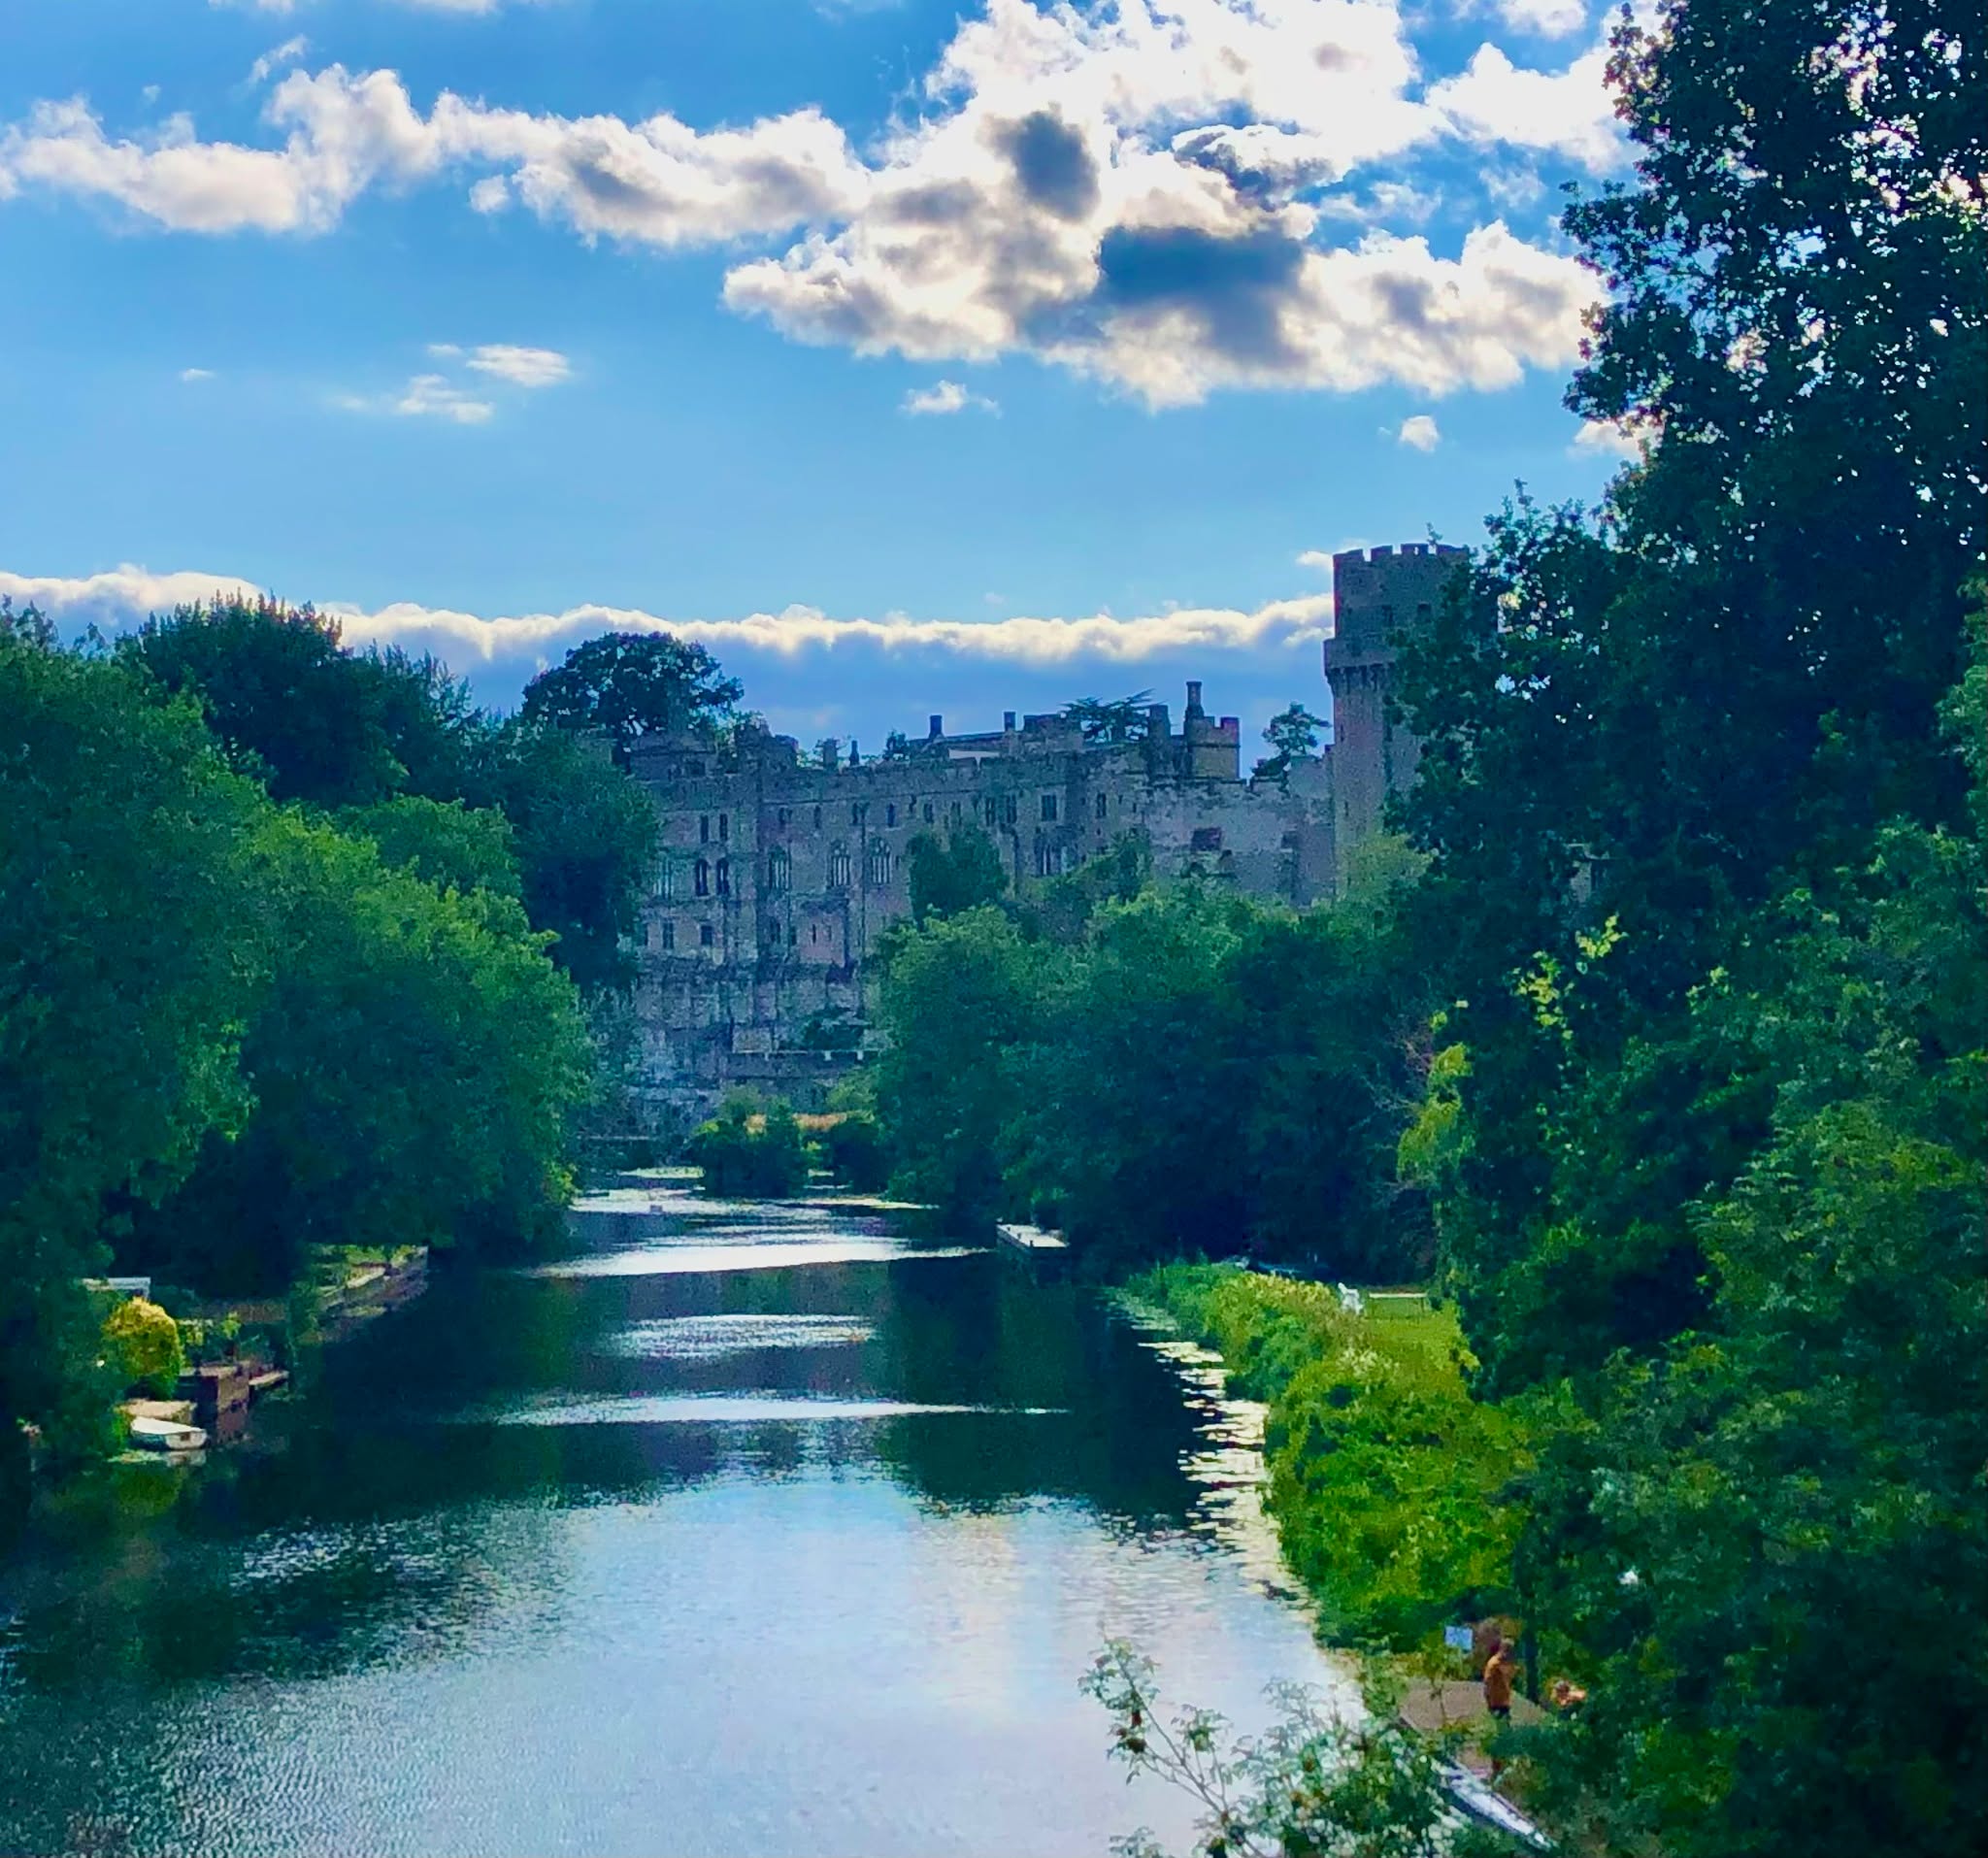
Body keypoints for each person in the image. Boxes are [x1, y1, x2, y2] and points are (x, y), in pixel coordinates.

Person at [1482, 1639, 1518, 1781]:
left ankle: (1501, 1766)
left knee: (1504, 1735)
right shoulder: (1495, 1664)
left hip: (1503, 1703)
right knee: (1500, 1735)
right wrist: (1490, 1703)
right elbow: (1488, 1685)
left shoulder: (1503, 1664)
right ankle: (1497, 1768)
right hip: (1497, 1705)